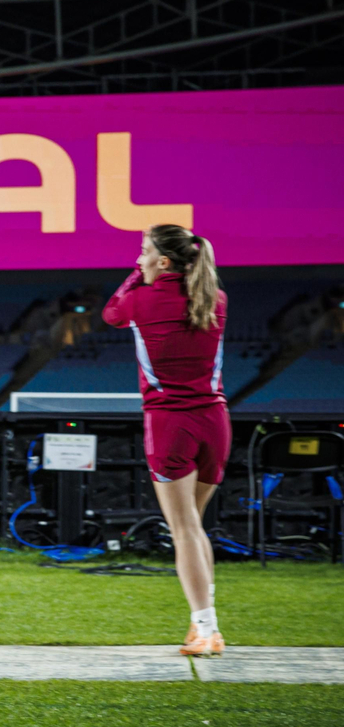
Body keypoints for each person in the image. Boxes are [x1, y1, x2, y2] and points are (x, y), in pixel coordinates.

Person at [102, 224, 229, 657]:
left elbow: (111, 314)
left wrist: (135, 276)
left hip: (170, 424)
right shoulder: (215, 299)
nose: (138, 259)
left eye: (143, 252)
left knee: (185, 531)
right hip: (216, 421)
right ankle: (204, 625)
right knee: (193, 529)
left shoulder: (139, 298)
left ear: (163, 261)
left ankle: (207, 629)